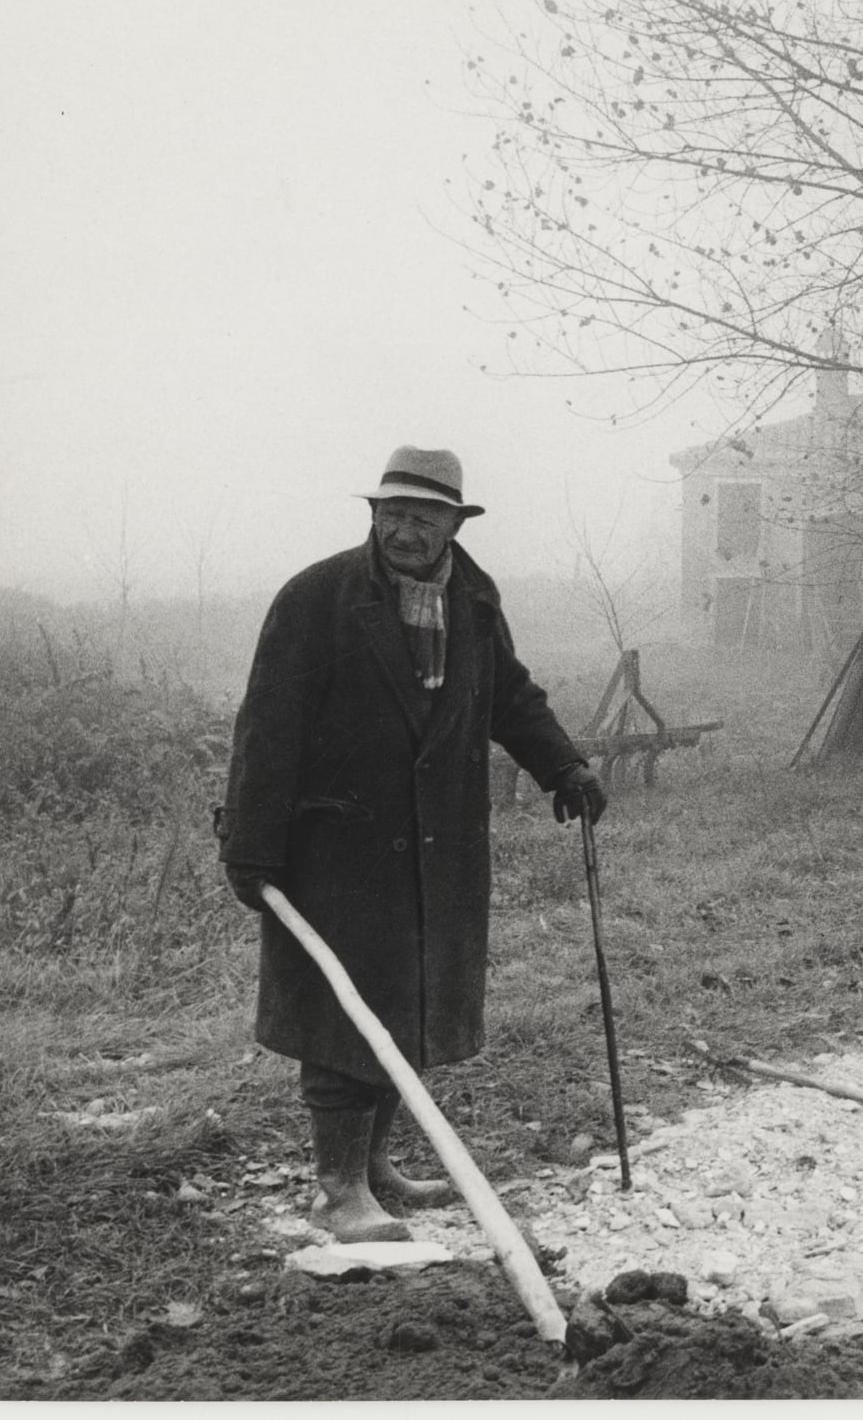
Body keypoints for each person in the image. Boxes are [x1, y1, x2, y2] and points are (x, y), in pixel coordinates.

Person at [217, 446, 607, 1243]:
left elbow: (508, 697)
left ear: (454, 525)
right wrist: (250, 846)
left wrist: (563, 764)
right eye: (390, 513)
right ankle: (336, 1191)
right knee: (343, 1014)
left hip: (441, 846)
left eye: (422, 517)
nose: (402, 530)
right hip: (338, 848)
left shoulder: (474, 600)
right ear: (373, 515)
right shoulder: (317, 598)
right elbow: (267, 724)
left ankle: (375, 1168)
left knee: (409, 1005)